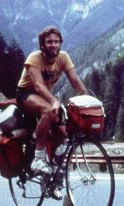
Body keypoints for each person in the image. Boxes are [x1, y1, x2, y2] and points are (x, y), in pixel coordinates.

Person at [16, 26, 88, 176]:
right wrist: (54, 102)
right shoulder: (34, 58)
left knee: (62, 131)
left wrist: (87, 101)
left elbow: (75, 80)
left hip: (45, 96)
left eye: (56, 41)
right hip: (26, 94)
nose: (53, 45)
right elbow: (38, 85)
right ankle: (38, 158)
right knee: (48, 111)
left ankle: (52, 171)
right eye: (49, 42)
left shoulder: (63, 57)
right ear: (42, 44)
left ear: (60, 43)